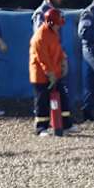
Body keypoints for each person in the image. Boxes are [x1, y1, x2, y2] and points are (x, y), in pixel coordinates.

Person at [30, 8, 74, 136]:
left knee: (63, 98)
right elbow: (42, 57)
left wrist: (64, 60)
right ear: (50, 23)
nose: (59, 27)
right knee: (42, 101)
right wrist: (49, 73)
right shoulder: (40, 37)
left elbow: (58, 50)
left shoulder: (53, 33)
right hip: (41, 75)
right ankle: (41, 128)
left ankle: (66, 125)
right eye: (57, 24)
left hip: (55, 73)